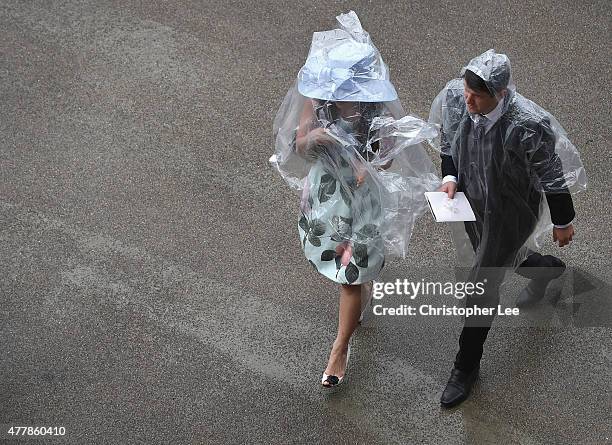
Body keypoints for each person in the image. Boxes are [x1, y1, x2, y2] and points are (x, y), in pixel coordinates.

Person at [271, 11, 439, 388]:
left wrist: (370, 162)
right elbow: (299, 145)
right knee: (342, 268)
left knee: (352, 275)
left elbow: (388, 155)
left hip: (363, 199)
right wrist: (325, 137)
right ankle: (357, 306)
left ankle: (339, 348)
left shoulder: (374, 108)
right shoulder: (317, 102)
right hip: (328, 197)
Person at [429, 49, 586, 407]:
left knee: (482, 283)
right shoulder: (457, 99)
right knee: (506, 259)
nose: (468, 100)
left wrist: (563, 221)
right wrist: (450, 177)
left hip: (512, 211)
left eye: (477, 95)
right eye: (467, 91)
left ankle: (465, 367)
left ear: (499, 93)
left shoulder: (527, 123)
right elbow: (448, 142)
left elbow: (551, 173)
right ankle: (547, 271)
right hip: (474, 202)